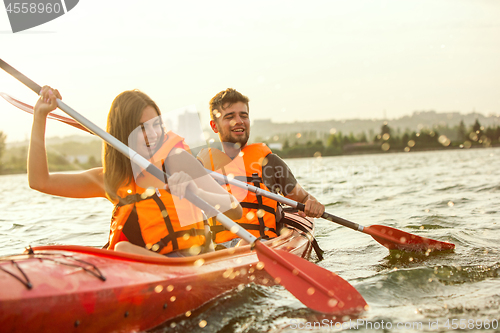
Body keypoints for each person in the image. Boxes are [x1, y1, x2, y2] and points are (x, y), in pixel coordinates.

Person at [28, 86, 242, 257]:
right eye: (141, 128)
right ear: (123, 133)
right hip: (142, 268)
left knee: (123, 250)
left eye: (155, 125)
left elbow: (235, 210)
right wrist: (40, 117)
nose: (152, 134)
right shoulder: (111, 180)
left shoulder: (177, 161)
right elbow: (40, 181)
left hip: (192, 263)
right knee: (119, 250)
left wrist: (197, 193)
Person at [197, 88, 325, 246]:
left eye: (244, 116)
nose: (239, 121)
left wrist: (312, 203)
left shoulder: (270, 163)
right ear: (214, 126)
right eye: (230, 117)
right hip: (219, 252)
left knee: (244, 244)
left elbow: (304, 198)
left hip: (264, 245)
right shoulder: (202, 168)